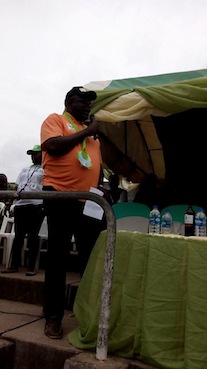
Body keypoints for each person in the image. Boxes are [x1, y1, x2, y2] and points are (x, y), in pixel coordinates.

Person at [40, 86, 106, 339]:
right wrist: (88, 131)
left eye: (90, 103)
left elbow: (96, 163)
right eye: (82, 101)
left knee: (91, 257)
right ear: (69, 102)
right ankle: (53, 316)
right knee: (58, 257)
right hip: (60, 196)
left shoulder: (91, 134)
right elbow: (53, 146)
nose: (88, 106)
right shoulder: (56, 120)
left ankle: (88, 312)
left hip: (89, 201)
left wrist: (100, 185)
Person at [1, 145, 44, 276]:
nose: (33, 156)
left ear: (42, 155)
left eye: (36, 154)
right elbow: (18, 185)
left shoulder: (46, 169)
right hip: (21, 204)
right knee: (18, 236)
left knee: (32, 236)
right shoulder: (25, 169)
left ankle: (31, 267)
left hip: (36, 204)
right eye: (32, 154)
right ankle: (13, 265)